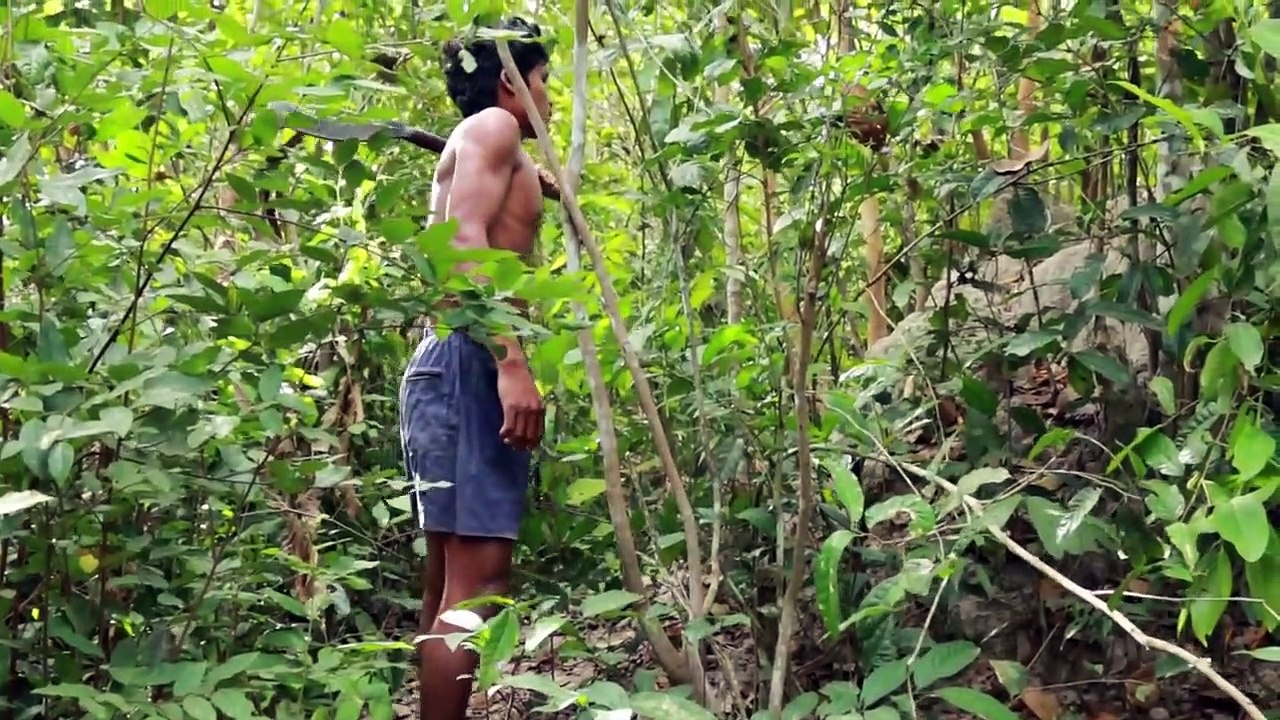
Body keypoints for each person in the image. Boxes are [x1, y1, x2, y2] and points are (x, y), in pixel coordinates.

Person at [398, 16, 551, 720]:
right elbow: (462, 244)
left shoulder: (492, 142)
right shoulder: (494, 128)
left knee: (450, 581)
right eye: (542, 80)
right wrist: (510, 363)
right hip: (471, 360)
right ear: (510, 83)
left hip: (455, 361)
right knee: (477, 585)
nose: (549, 96)